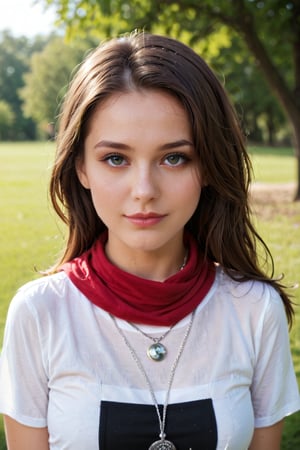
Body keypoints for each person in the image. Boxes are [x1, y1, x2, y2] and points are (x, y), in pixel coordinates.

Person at [0, 32, 299, 450]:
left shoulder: (253, 310)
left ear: (209, 164)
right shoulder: (39, 314)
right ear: (81, 167)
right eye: (116, 159)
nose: (144, 189)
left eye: (174, 157)